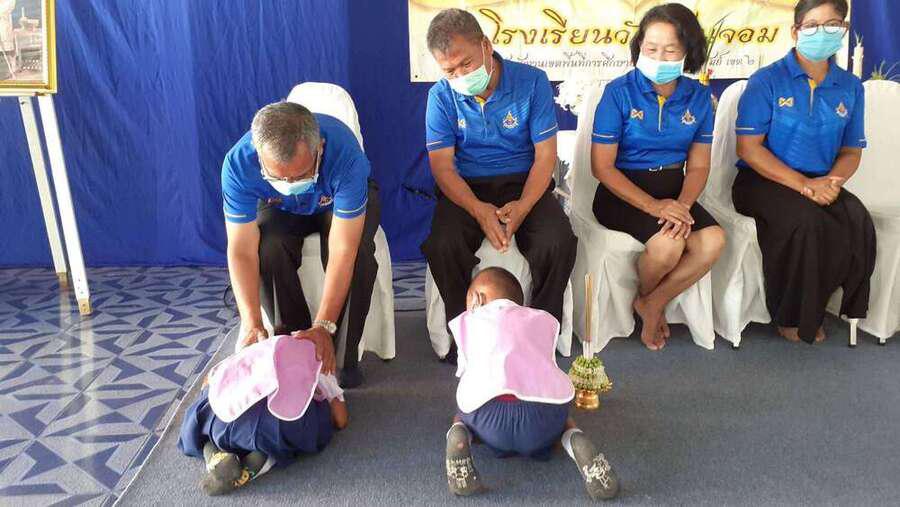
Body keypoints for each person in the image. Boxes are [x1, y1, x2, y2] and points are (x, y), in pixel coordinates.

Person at [421, 8, 577, 363]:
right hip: (466, 187)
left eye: (466, 63)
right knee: (443, 244)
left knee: (557, 241)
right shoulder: (441, 97)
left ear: (486, 46)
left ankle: (540, 335)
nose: (460, 76)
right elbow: (442, 167)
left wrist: (522, 207)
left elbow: (545, 157)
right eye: (449, 71)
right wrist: (479, 211)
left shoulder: (532, 82)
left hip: (526, 181)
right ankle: (464, 339)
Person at [733, 0, 876, 344]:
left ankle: (837, 306)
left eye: (832, 24)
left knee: (857, 218)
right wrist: (804, 185)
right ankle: (792, 316)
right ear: (796, 31)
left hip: (821, 180)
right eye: (811, 25)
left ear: (843, 30)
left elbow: (851, 151)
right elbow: (748, 149)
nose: (821, 32)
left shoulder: (850, 87)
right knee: (806, 221)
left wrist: (831, 182)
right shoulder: (768, 80)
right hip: (763, 180)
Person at [591, 3, 726, 350]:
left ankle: (651, 302)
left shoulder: (699, 97)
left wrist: (683, 206)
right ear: (639, 47)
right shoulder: (618, 92)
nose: (659, 57)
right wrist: (654, 207)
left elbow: (699, 166)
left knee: (713, 241)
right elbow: (602, 167)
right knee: (668, 246)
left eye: (670, 50)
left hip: (675, 190)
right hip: (623, 191)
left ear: (688, 52)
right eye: (651, 48)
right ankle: (652, 308)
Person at [221, 101, 380, 387]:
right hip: (280, 206)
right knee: (268, 247)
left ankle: (340, 363)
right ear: (259, 155)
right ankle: (293, 348)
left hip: (335, 201)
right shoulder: (238, 164)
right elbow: (241, 249)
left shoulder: (346, 156)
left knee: (359, 257)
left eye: (301, 174)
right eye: (278, 176)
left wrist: (323, 325)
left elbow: (343, 248)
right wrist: (251, 321)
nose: (290, 181)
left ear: (319, 148)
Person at [443, 267, 619, 501]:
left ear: (477, 298)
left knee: (463, 410)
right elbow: (549, 366)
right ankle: (573, 438)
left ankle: (459, 435)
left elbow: (465, 373)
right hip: (541, 419)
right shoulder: (541, 319)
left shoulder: (468, 322)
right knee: (560, 414)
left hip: (489, 420)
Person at [178, 334, 348, 496]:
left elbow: (208, 382)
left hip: (221, 422)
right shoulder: (318, 362)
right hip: (272, 430)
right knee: (300, 426)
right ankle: (249, 468)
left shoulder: (250, 352)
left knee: (204, 423)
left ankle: (213, 456)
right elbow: (340, 419)